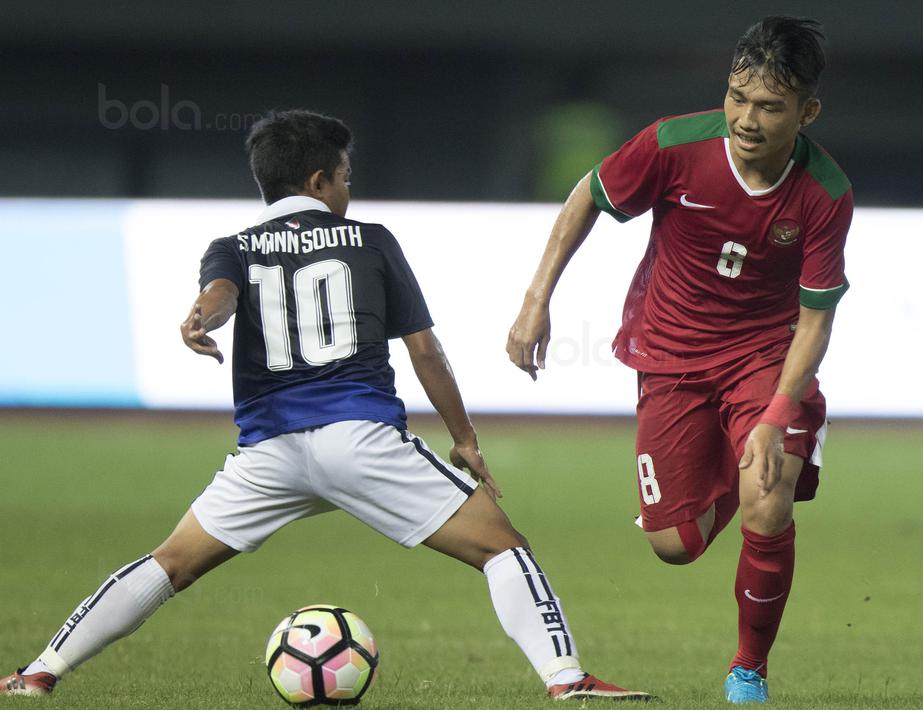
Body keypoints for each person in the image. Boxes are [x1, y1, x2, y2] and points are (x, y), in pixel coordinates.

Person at [2, 110, 649, 702]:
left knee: (168, 564)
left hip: (269, 454)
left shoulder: (232, 247)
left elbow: (222, 295)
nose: (347, 188)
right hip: (360, 440)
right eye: (344, 176)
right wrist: (465, 437)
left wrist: (201, 318)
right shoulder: (369, 239)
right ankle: (566, 680)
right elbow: (425, 351)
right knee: (503, 548)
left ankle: (39, 672)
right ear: (318, 181)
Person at [507, 17, 852, 705]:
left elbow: (815, 322)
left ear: (806, 112)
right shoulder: (671, 144)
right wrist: (534, 302)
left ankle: (747, 670)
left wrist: (776, 414)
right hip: (668, 358)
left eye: (768, 107)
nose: (746, 119)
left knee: (766, 500)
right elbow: (587, 198)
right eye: (736, 98)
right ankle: (741, 465)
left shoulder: (823, 192)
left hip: (762, 357)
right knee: (673, 545)